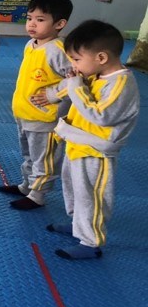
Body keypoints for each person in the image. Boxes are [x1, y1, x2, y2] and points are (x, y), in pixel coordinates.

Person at [46, 20, 140, 260]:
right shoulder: (95, 74)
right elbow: (74, 90)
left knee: (91, 196)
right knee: (73, 188)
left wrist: (77, 87)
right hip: (78, 143)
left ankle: (90, 242)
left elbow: (101, 116)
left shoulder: (121, 84)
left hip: (96, 152)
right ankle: (78, 224)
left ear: (101, 57)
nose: (73, 65)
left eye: (77, 59)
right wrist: (58, 92)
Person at [1, 0, 73, 210]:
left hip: (45, 117)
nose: (32, 24)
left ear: (59, 24)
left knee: (44, 158)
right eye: (30, 18)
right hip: (25, 113)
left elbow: (77, 80)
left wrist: (53, 95)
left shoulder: (59, 51)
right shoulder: (31, 44)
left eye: (40, 20)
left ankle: (37, 195)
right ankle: (27, 186)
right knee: (29, 154)